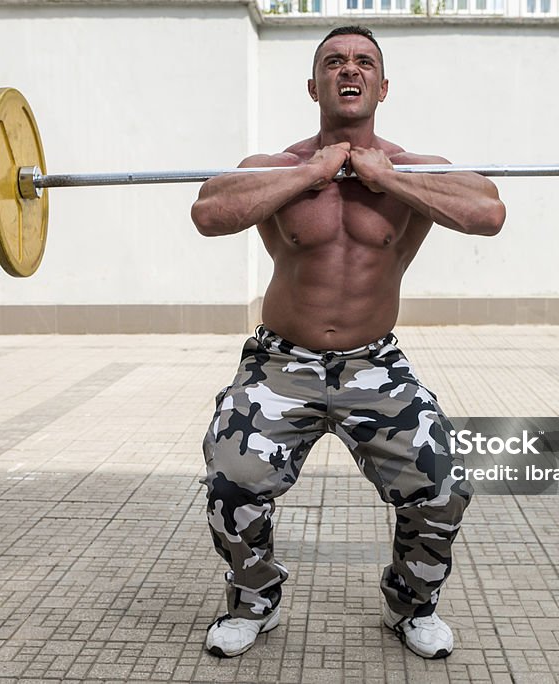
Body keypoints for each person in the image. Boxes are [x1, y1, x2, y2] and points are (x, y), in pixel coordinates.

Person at [190, 25, 505, 660]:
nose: (348, 69)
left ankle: (412, 607)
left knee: (441, 486)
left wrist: (384, 177)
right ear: (314, 85)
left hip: (373, 363)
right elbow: (208, 212)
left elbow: (488, 213)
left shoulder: (414, 170)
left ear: (382, 87)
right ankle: (255, 602)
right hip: (281, 364)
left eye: (363, 61)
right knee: (231, 480)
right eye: (334, 61)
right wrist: (314, 169)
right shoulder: (275, 169)